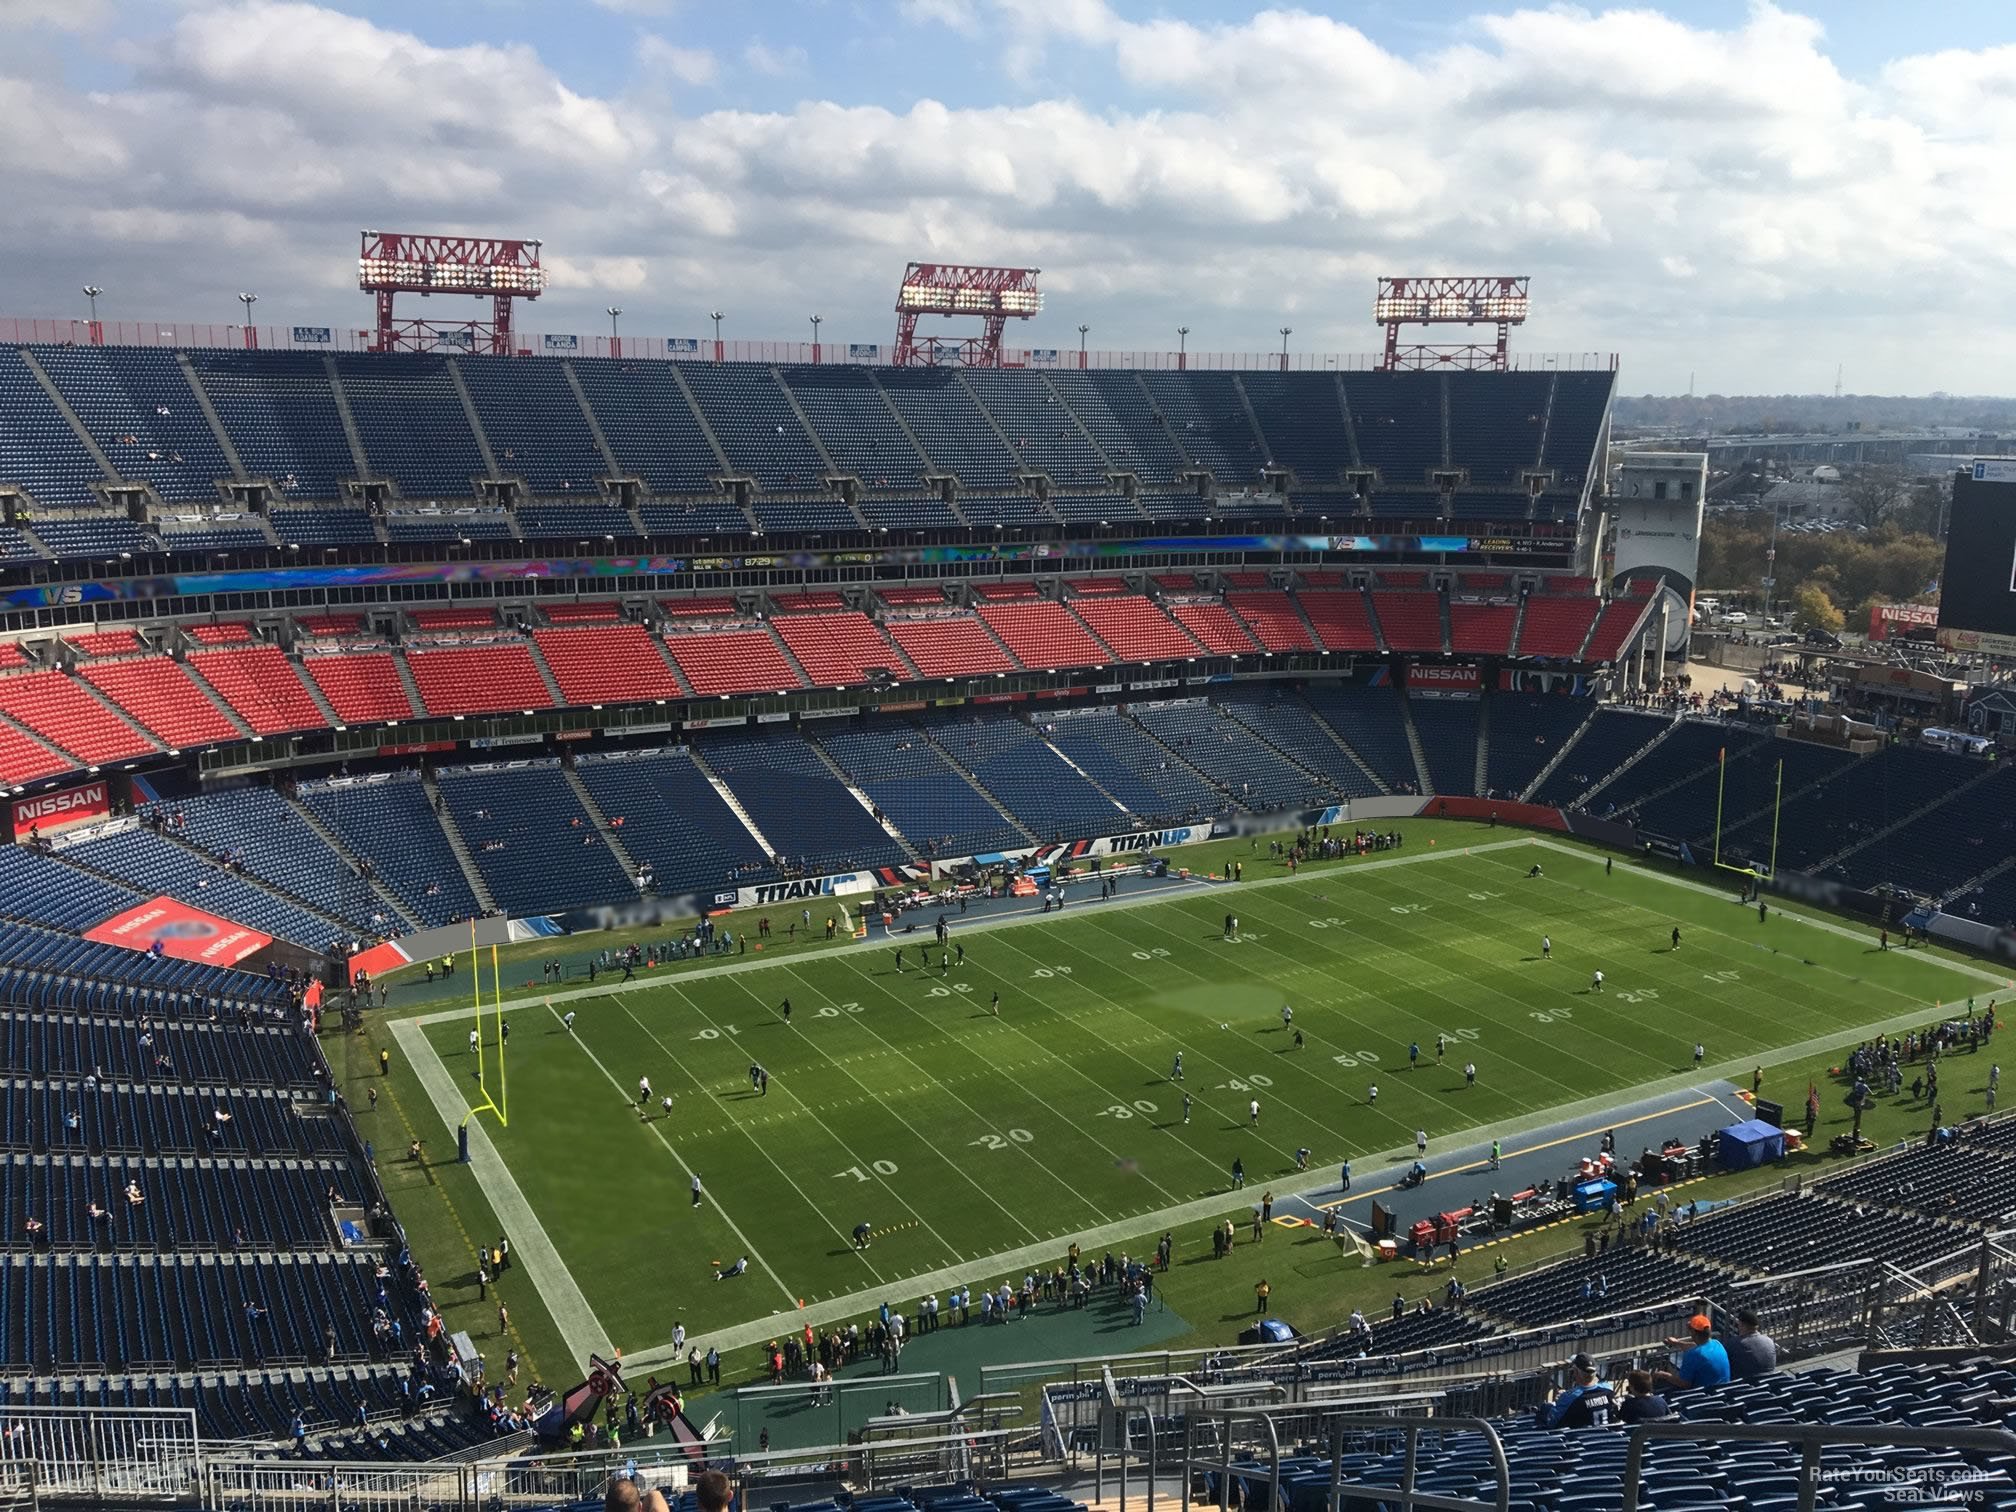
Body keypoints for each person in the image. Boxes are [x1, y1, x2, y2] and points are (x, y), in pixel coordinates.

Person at [1535, 1353, 1615, 1428]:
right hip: (1606, 1436)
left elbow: (1552, 1422)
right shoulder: (1608, 1389)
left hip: (1582, 1439)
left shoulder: (1569, 1397)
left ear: (1575, 1372)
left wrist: (1559, 1401)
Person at [1655, 1313, 1730, 1391]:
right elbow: (1696, 1347)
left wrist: (1664, 1375)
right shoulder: (1717, 1344)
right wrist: (1676, 1343)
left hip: (1704, 1395)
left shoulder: (1693, 1354)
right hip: (1722, 1391)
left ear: (1694, 1333)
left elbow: (1684, 1384)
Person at [1729, 1309, 1777, 1380]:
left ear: (1741, 1324)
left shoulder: (1733, 1344)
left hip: (1745, 1387)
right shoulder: (1769, 1341)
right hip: (1768, 1384)